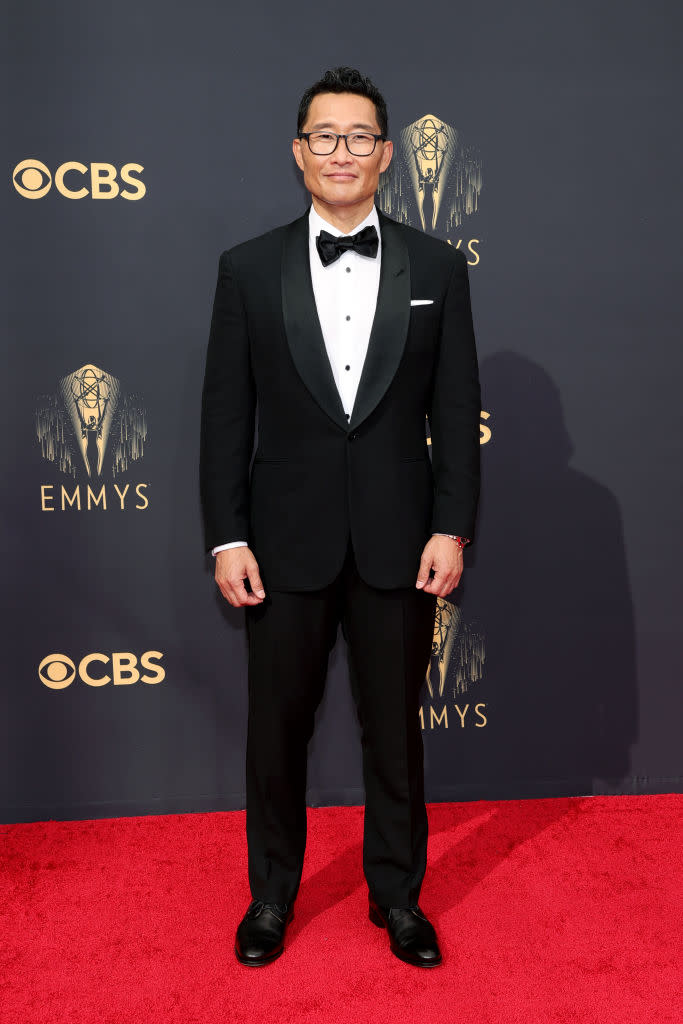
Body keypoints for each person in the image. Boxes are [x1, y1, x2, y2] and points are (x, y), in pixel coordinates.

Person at [200, 66, 481, 968]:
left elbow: (455, 408)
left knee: (396, 732)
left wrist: (451, 525)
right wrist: (227, 533)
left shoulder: (437, 266)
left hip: (402, 541)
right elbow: (223, 415)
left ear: (386, 154)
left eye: (359, 136)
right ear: (298, 152)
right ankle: (271, 899)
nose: (341, 152)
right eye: (324, 136)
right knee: (274, 729)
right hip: (281, 545)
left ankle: (398, 898)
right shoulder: (245, 268)